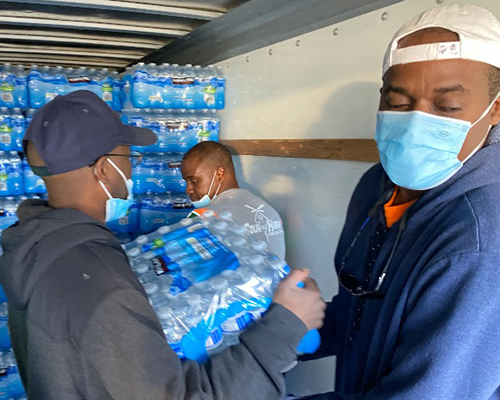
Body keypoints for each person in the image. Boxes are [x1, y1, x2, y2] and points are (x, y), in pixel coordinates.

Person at [0, 90, 326, 399]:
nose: (130, 170)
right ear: (103, 169)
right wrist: (285, 325)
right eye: (126, 158)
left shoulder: (36, 249)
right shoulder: (102, 283)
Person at [301, 4, 500, 399]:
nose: (416, 121)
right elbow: (361, 309)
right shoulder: (376, 187)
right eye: (397, 103)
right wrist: (278, 335)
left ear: (494, 109)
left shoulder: (479, 238)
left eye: (446, 108)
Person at [181, 141, 286, 259]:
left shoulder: (203, 217)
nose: (188, 190)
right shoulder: (268, 209)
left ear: (220, 174)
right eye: (186, 182)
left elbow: (193, 268)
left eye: (194, 181)